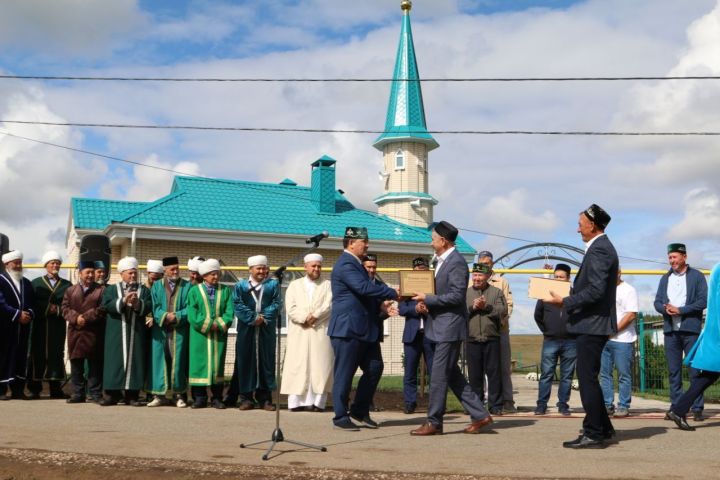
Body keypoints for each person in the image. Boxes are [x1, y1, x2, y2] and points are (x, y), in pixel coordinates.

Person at [410, 221, 493, 436]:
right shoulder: (440, 261)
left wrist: (428, 298)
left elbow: (457, 296)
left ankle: (434, 422)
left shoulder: (455, 262)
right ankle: (481, 415)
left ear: (443, 241)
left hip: (449, 327)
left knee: (438, 375)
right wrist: (426, 303)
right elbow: (442, 294)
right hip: (440, 325)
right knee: (453, 375)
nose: (431, 242)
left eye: (433, 238)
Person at [547, 204, 618, 449]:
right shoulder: (600, 248)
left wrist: (566, 301)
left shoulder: (600, 250)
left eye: (580, 224)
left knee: (587, 379)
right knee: (590, 378)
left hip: (592, 324)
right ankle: (604, 427)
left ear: (593, 225)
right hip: (592, 324)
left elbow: (596, 291)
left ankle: (594, 433)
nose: (577, 229)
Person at [328, 226, 398, 430]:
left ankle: (359, 409)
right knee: (345, 373)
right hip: (348, 329)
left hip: (366, 329)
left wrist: (380, 305)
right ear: (351, 243)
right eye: (363, 242)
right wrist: (392, 292)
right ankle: (340, 416)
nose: (367, 245)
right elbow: (363, 288)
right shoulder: (346, 264)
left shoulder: (357, 265)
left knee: (375, 367)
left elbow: (362, 296)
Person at [653, 243, 708, 421]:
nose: (672, 261)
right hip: (670, 331)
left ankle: (697, 407)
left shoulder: (697, 276)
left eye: (675, 257)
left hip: (690, 330)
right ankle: (676, 408)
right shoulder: (665, 278)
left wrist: (681, 310)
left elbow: (703, 301)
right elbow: (657, 302)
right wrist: (664, 308)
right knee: (673, 371)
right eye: (670, 257)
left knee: (695, 370)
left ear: (684, 257)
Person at [667, 263, 720, 431]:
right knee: (709, 376)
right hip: (717, 332)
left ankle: (678, 409)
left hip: (715, 331)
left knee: (709, 376)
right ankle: (678, 409)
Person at [280, 253, 333, 412]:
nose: (316, 269)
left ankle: (318, 403)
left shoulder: (328, 285)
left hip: (320, 330)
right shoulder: (294, 285)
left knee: (320, 366)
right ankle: (296, 403)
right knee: (298, 364)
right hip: (300, 331)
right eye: (313, 266)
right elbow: (290, 308)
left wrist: (315, 316)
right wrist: (304, 318)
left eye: (319, 266)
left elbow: (329, 305)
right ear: (305, 267)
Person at [230, 255, 282, 411]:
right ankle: (246, 398)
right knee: (245, 362)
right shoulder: (240, 286)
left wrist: (263, 317)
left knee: (266, 362)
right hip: (246, 329)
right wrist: (253, 318)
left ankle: (265, 399)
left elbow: (277, 303)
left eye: (264, 268)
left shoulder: (273, 285)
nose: (262, 271)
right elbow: (237, 304)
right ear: (250, 269)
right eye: (258, 268)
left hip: (266, 329)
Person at [99, 256, 152, 406]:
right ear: (122, 274)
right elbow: (106, 305)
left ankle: (132, 396)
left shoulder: (144, 290)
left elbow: (148, 307)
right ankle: (112, 395)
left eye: (135, 273)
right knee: (114, 362)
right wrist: (123, 301)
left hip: (136, 333)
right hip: (116, 333)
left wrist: (137, 303)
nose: (133, 275)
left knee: (135, 362)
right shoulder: (111, 289)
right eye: (129, 273)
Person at [187, 259, 233, 409]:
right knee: (198, 365)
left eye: (217, 274)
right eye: (213, 274)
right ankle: (199, 398)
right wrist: (208, 324)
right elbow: (192, 313)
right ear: (205, 275)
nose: (216, 277)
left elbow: (229, 311)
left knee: (217, 366)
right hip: (199, 336)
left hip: (218, 336)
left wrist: (219, 324)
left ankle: (217, 398)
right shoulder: (194, 290)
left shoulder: (225, 290)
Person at [147, 256, 192, 408]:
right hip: (160, 331)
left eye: (177, 268)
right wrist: (165, 316)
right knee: (159, 361)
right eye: (172, 269)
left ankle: (178, 395)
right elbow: (154, 307)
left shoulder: (187, 286)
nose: (175, 271)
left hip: (179, 331)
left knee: (178, 361)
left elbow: (191, 307)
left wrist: (178, 316)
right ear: (165, 271)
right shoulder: (156, 286)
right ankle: (159, 395)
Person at [27, 251, 72, 399]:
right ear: (46, 265)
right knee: (37, 354)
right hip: (40, 325)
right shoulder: (36, 283)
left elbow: (69, 304)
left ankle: (55, 389)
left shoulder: (67, 284)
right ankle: (34, 389)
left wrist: (57, 309)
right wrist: (47, 307)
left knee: (56, 354)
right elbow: (32, 303)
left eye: (57, 263)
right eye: (52, 263)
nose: (55, 265)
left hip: (57, 326)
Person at [533, 263, 576, 416]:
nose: (558, 279)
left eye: (561, 277)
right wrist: (547, 331)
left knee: (567, 376)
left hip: (571, 342)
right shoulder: (545, 294)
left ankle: (563, 404)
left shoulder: (574, 295)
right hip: (550, 340)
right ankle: (541, 405)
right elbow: (537, 315)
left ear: (568, 278)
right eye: (556, 276)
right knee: (546, 374)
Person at [465, 262, 507, 415]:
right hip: (471, 339)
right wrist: (473, 308)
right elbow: (460, 313)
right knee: (475, 376)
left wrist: (486, 307)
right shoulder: (466, 293)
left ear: (488, 276)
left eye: (480, 275)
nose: (476, 278)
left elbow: (502, 311)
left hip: (491, 338)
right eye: (474, 275)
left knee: (494, 374)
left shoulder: (496, 292)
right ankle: (476, 407)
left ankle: (495, 406)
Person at [477, 251, 516, 413]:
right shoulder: (474, 281)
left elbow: (509, 305)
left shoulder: (502, 282)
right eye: (481, 263)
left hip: (499, 330)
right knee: (479, 368)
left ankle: (507, 401)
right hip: (479, 331)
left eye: (487, 263)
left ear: (492, 264)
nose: (485, 266)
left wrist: (501, 320)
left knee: (503, 367)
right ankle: (478, 402)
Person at [62, 260, 106, 403]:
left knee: (94, 364)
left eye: (92, 272)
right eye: (87, 272)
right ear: (80, 274)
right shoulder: (70, 290)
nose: (91, 275)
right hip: (75, 332)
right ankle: (78, 393)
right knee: (76, 364)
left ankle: (95, 393)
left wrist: (85, 318)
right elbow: (65, 309)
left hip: (93, 332)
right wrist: (76, 318)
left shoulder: (101, 290)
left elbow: (102, 309)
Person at [398, 257, 435, 414]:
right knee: (410, 372)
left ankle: (435, 404)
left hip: (430, 334)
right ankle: (410, 403)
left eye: (423, 268)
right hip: (412, 335)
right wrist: (415, 309)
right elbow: (401, 309)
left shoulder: (434, 287)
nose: (421, 271)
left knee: (434, 372)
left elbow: (441, 306)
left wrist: (427, 309)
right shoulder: (407, 289)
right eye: (418, 269)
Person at [600, 269, 639, 417]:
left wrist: (613, 331)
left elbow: (631, 315)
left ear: (619, 272)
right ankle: (607, 404)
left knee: (623, 374)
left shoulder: (629, 290)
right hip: (604, 339)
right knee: (605, 374)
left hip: (623, 340)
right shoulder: (603, 290)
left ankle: (623, 405)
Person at [361, 253, 397, 413]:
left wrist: (386, 311)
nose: (371, 270)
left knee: (375, 368)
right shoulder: (357, 284)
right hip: (355, 335)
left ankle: (366, 403)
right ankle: (345, 405)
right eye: (368, 267)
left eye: (374, 267)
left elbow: (380, 315)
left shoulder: (381, 286)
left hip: (373, 335)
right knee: (348, 371)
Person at [0, 251, 35, 400]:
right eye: (15, 262)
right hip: (5, 327)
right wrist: (17, 314)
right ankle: (1, 390)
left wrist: (29, 314)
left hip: (23, 327)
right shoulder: (1, 280)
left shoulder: (26, 282)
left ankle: (18, 390)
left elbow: (32, 303)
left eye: (20, 262)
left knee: (21, 356)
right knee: (4, 356)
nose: (19, 265)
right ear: (7, 264)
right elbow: (1, 303)